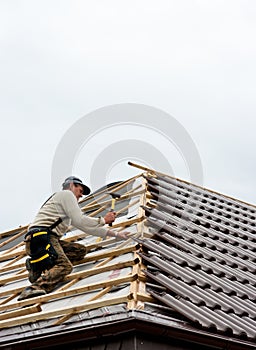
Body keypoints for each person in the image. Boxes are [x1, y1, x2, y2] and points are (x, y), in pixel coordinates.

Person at [18, 176, 128, 301]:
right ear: (71, 185)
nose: (81, 196)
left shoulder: (64, 207)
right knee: (65, 266)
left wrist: (115, 234)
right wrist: (103, 220)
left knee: (79, 251)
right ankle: (33, 288)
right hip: (43, 237)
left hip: (39, 239)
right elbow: (80, 219)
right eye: (80, 191)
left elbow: (86, 227)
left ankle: (38, 266)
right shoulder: (66, 195)